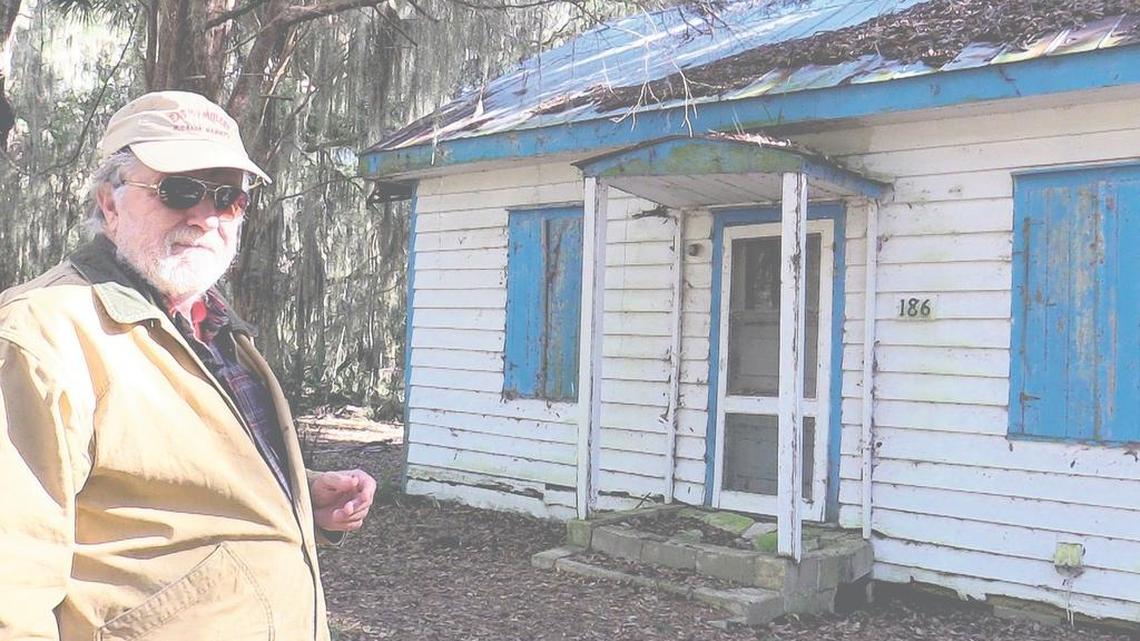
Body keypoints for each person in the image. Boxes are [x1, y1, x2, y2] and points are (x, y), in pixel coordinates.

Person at [0, 91, 376, 641]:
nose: (205, 218)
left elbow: (163, 482)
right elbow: (12, 577)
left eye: (228, 197)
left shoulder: (208, 323)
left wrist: (296, 491)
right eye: (179, 191)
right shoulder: (41, 334)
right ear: (110, 202)